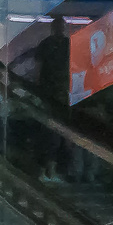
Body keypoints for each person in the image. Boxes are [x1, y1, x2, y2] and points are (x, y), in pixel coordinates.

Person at [30, 19, 74, 182]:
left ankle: (54, 168)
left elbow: (72, 65)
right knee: (50, 132)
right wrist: (37, 85)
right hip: (49, 91)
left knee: (59, 133)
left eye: (61, 26)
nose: (59, 29)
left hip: (61, 92)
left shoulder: (66, 44)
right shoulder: (46, 44)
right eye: (57, 26)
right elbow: (39, 66)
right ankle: (49, 168)